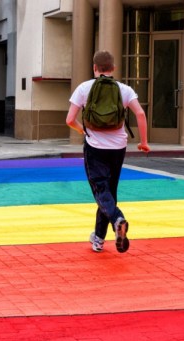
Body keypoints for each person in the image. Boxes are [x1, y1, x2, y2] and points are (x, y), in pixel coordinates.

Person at [66, 50, 150, 253]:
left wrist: (84, 131)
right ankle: (98, 239)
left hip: (95, 148)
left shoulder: (84, 88)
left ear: (94, 68)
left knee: (101, 192)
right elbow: (140, 113)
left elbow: (69, 119)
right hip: (118, 148)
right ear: (113, 68)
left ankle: (117, 219)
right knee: (109, 192)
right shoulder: (125, 90)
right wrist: (144, 142)